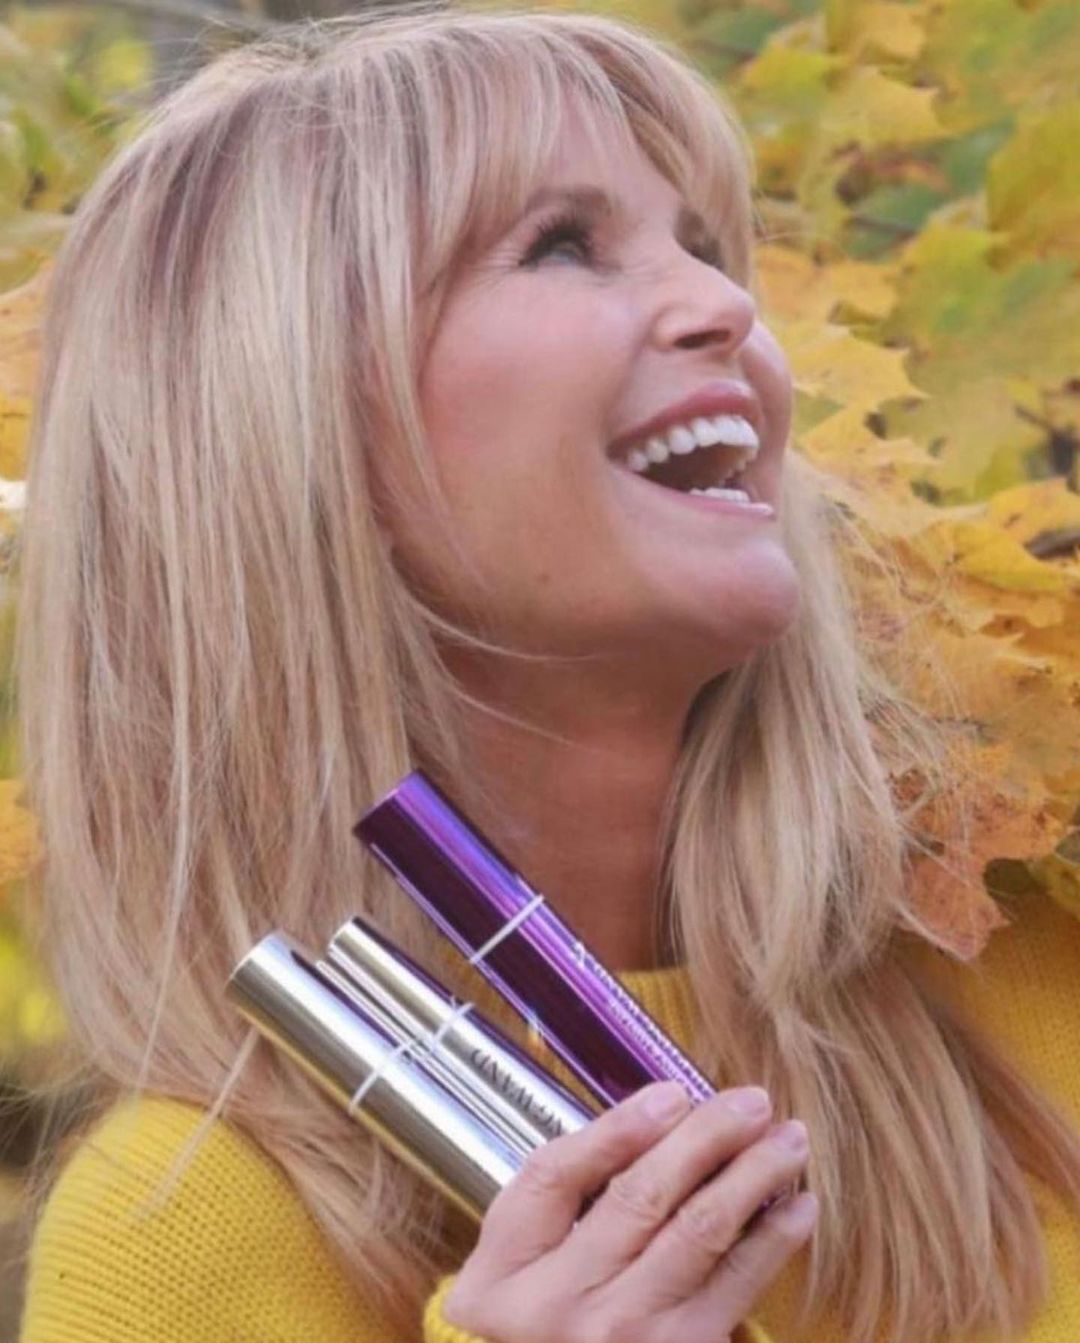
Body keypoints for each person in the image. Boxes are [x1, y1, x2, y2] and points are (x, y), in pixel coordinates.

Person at [12, 4, 1080, 1342]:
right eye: (563, 244)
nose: (728, 305)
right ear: (296, 429)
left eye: (705, 246)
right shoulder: (182, 1241)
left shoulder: (1034, 935)